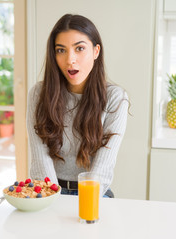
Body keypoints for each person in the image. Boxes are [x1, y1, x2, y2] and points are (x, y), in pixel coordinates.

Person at [27, 14, 128, 198]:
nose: (70, 60)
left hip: (93, 192)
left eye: (79, 48)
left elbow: (103, 165)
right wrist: (53, 199)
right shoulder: (38, 94)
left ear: (96, 51)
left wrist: (85, 201)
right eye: (61, 50)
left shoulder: (115, 97)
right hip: (48, 190)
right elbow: (40, 157)